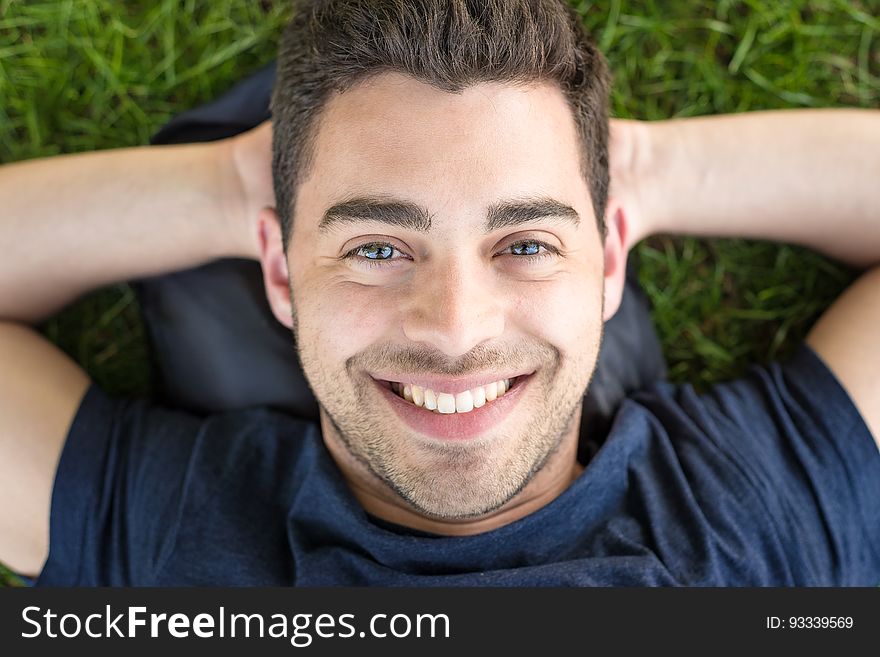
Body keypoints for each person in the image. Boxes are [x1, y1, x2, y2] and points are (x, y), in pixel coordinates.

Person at [0, 0, 877, 586]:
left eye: (527, 242)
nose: (456, 329)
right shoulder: (175, 525)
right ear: (280, 271)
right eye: (378, 246)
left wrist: (639, 170)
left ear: (608, 260)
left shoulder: (749, 507)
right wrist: (237, 184)